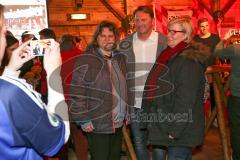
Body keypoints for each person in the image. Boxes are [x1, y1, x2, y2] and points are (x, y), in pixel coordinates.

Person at [0, 4, 70, 159]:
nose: (5, 42)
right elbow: (59, 136)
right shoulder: (11, 93)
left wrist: (10, 71)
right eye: (3, 33)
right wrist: (53, 74)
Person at [141, 17, 210, 160]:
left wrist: (175, 131)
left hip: (181, 128)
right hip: (169, 120)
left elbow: (186, 100)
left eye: (174, 32)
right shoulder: (169, 55)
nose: (169, 35)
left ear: (186, 35)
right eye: (168, 31)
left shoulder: (188, 61)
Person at [70, 20, 128, 160]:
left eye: (110, 36)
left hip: (117, 122)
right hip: (97, 123)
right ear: (97, 38)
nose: (107, 39)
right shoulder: (86, 59)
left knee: (115, 157)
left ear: (115, 38)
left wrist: (128, 112)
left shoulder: (120, 59)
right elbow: (77, 91)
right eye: (103, 36)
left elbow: (126, 87)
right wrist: (83, 119)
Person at [120, 5, 167, 160]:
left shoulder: (164, 41)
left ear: (152, 20)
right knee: (139, 141)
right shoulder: (125, 43)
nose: (140, 23)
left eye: (144, 20)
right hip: (135, 101)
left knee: (159, 141)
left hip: (159, 100)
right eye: (137, 20)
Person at [214, 30, 240, 160]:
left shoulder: (235, 49)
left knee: (236, 130)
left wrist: (223, 39)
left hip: (237, 97)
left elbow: (217, 52)